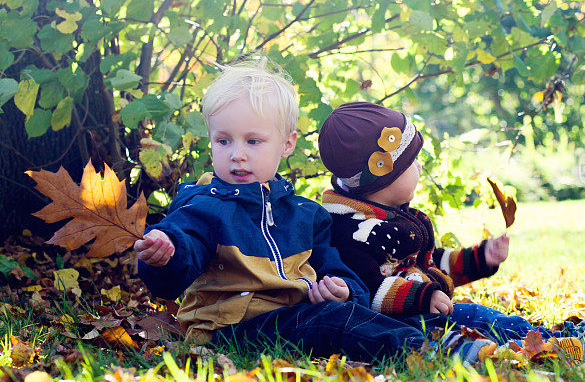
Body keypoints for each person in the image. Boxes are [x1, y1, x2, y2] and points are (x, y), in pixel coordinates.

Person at [134, 59, 494, 365]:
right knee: (329, 321)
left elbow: (331, 262)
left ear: (287, 143)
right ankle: (425, 350)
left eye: (253, 141)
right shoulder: (204, 205)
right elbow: (179, 262)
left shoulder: (303, 213)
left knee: (346, 312)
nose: (237, 154)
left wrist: (344, 288)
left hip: (295, 312)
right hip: (231, 326)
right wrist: (164, 255)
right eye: (223, 140)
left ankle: (452, 336)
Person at [317, 102, 585, 362]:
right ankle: (557, 345)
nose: (419, 166)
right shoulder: (352, 231)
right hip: (403, 326)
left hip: (429, 309)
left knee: (483, 318)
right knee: (481, 318)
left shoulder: (393, 214)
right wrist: (422, 296)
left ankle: (558, 342)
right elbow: (368, 288)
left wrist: (480, 257)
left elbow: (432, 262)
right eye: (411, 163)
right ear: (382, 180)